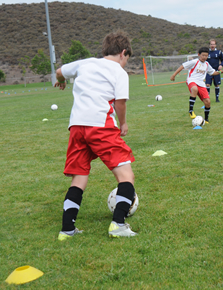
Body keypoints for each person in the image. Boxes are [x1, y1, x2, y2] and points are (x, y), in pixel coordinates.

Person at [54, 31, 138, 240]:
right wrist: (124, 123)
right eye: (127, 59)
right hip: (100, 126)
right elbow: (120, 102)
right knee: (126, 176)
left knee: (79, 177)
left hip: (76, 127)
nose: (126, 63)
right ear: (123, 53)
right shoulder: (119, 72)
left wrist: (62, 80)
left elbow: (59, 71)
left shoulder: (85, 63)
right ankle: (118, 225)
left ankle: (67, 230)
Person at [170, 47, 223, 124]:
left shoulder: (207, 64)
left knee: (207, 102)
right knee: (194, 89)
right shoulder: (194, 62)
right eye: (203, 55)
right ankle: (191, 111)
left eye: (206, 56)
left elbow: (212, 72)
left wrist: (221, 72)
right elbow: (183, 66)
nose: (204, 57)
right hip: (192, 80)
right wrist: (174, 75)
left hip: (201, 84)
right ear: (199, 55)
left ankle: (206, 120)